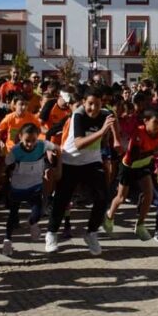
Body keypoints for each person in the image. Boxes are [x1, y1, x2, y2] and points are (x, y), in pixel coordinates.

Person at [46, 87, 117, 255]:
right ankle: (51, 233)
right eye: (90, 104)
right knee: (62, 200)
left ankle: (91, 233)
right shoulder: (78, 115)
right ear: (84, 102)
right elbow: (78, 144)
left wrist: (112, 140)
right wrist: (102, 131)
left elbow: (110, 130)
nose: (93, 108)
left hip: (92, 162)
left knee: (103, 197)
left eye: (97, 104)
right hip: (70, 160)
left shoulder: (106, 114)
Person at [103, 108, 158, 241]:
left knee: (149, 194)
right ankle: (109, 216)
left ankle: (140, 225)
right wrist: (154, 152)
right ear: (145, 121)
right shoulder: (139, 133)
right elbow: (134, 156)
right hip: (128, 167)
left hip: (144, 165)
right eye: (155, 122)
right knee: (121, 198)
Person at [2, 123, 59, 256]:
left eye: (33, 140)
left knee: (39, 211)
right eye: (27, 141)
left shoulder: (42, 145)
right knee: (13, 215)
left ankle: (32, 223)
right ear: (20, 137)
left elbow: (57, 148)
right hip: (18, 188)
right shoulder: (15, 151)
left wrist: (58, 164)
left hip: (35, 186)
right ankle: (7, 241)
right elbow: (4, 165)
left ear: (37, 137)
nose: (30, 144)